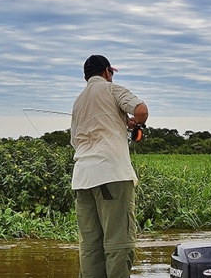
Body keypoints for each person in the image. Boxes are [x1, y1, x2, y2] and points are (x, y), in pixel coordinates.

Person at [70, 55, 148, 278]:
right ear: (106, 72)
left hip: (82, 178)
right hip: (112, 174)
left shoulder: (78, 101)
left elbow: (75, 141)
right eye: (111, 73)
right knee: (118, 244)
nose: (111, 76)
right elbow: (141, 110)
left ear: (86, 76)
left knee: (90, 247)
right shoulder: (113, 90)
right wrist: (138, 123)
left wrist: (124, 122)